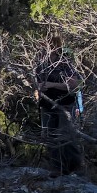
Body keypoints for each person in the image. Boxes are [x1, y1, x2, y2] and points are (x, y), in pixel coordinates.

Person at [35, 35, 83, 174]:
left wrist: (51, 85)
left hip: (65, 104)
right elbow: (37, 82)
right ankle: (57, 168)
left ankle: (75, 167)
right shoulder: (41, 64)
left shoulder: (64, 62)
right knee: (50, 137)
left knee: (66, 135)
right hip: (46, 104)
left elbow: (74, 85)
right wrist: (38, 89)